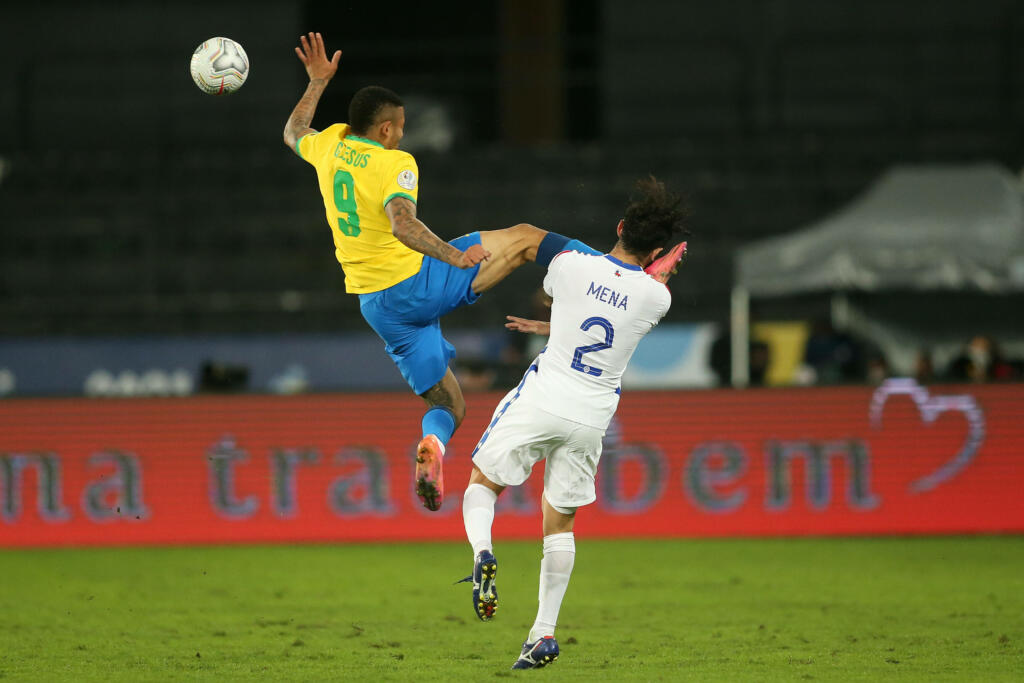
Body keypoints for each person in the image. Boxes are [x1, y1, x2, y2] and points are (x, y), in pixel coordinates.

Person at [282, 33, 600, 511]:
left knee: (449, 405)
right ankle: (611, 271)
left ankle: (433, 447)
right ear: (386, 129)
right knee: (525, 239)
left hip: (378, 307)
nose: (404, 134)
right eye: (402, 127)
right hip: (415, 284)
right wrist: (454, 258)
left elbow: (293, 131)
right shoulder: (394, 162)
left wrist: (316, 83)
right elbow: (403, 223)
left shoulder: (330, 145)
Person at [458, 176, 688, 669]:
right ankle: (542, 634)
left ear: (620, 226)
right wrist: (660, 275)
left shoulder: (569, 266)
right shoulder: (657, 298)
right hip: (590, 417)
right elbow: (630, 308)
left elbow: (563, 303)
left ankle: (482, 552)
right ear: (659, 251)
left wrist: (550, 323)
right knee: (559, 523)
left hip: (543, 397)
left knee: (482, 483)